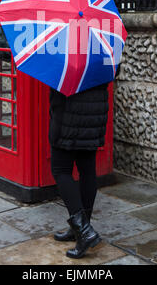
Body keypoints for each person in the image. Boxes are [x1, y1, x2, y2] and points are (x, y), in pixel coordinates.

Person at [49, 77, 112, 259]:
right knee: (87, 170)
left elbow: (50, 71)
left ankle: (84, 231)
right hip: (95, 113)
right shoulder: (108, 47)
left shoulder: (61, 47)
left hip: (69, 113)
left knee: (60, 170)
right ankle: (80, 229)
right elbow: (113, 72)